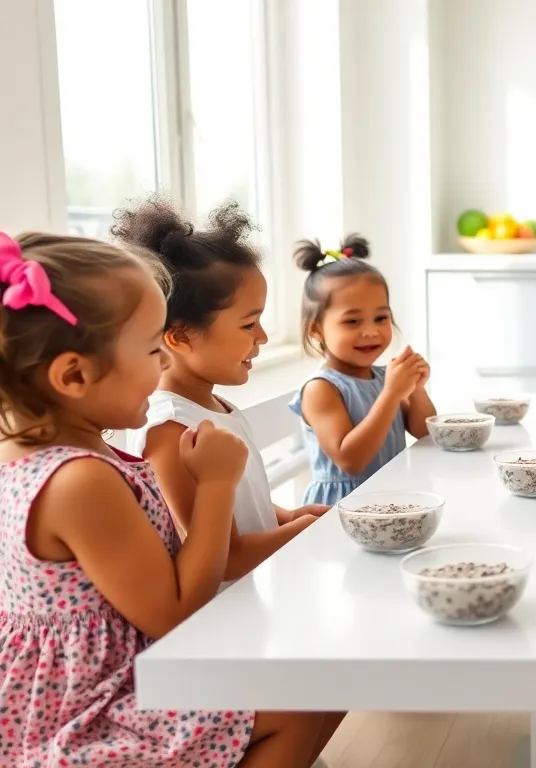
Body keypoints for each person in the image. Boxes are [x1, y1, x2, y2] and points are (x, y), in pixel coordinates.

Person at [0, 230, 340, 766]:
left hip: (116, 681)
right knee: (301, 699)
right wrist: (215, 485)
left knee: (320, 679)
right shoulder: (78, 482)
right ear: (74, 374)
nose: (163, 369)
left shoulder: (46, 458)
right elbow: (179, 611)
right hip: (94, 712)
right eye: (152, 350)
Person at [118, 199, 327, 586]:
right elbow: (224, 558)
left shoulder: (214, 406)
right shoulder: (170, 429)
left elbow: (243, 506)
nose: (263, 337)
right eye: (249, 324)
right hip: (223, 617)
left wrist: (290, 517)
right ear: (180, 337)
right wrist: (304, 532)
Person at [290, 235, 435, 505]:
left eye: (381, 318)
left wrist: (415, 390)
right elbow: (350, 460)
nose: (370, 332)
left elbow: (425, 432)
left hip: (390, 499)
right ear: (317, 330)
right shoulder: (321, 388)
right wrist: (392, 394)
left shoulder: (381, 378)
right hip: (343, 509)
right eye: (352, 321)